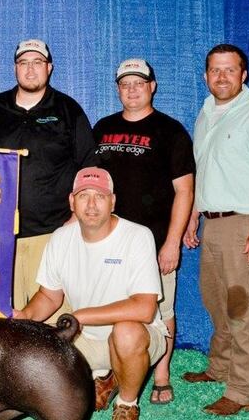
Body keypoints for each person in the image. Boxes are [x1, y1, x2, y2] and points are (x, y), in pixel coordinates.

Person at [182, 44, 249, 416]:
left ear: (244, 74)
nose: (222, 76)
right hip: (212, 222)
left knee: (243, 309)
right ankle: (220, 367)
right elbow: (206, 170)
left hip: (245, 222)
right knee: (216, 302)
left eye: (230, 70)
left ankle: (243, 390)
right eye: (215, 70)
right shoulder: (207, 112)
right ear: (205, 75)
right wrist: (194, 215)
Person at [14, 167, 166, 420]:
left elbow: (144, 308)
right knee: (34, 346)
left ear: (113, 201)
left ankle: (127, 404)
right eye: (84, 195)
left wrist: (80, 316)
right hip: (84, 336)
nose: (92, 205)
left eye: (100, 196)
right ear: (72, 201)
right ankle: (103, 375)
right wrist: (25, 315)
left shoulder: (137, 236)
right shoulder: (61, 238)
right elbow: (50, 296)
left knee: (125, 331)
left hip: (140, 337)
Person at [92, 58, 195, 404]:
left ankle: (162, 373)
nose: (132, 89)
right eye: (125, 83)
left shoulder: (171, 131)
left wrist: (172, 243)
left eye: (139, 82)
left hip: (154, 242)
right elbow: (89, 184)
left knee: (161, 310)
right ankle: (109, 374)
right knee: (109, 308)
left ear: (152, 86)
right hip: (107, 241)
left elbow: (184, 191)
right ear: (118, 89)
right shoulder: (103, 128)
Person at [0, 39, 97, 318]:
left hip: (52, 234)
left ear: (49, 68)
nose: (30, 70)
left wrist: (75, 219)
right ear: (15, 69)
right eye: (23, 63)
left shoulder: (67, 109)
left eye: (37, 63)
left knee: (55, 320)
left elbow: (90, 169)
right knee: (3, 318)